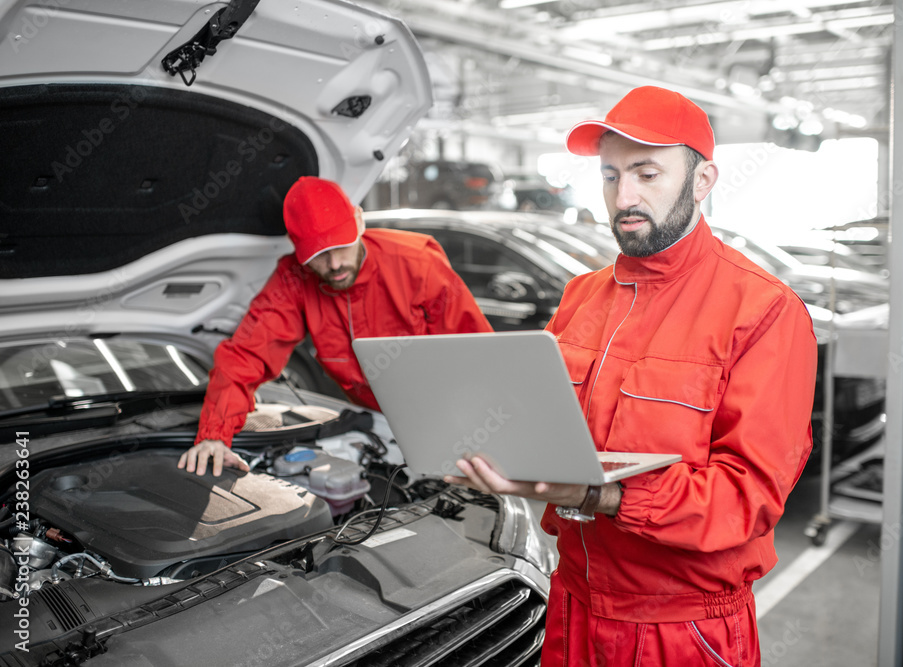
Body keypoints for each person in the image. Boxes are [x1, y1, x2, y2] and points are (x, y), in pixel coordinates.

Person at [445, 86, 817, 666]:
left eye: (647, 174)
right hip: (572, 604)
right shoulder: (581, 295)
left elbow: (749, 498)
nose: (625, 196)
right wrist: (492, 447)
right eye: (611, 175)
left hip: (681, 629)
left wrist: (604, 495)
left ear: (703, 180)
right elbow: (546, 426)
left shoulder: (763, 311)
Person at [179, 176, 492, 476]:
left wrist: (479, 428)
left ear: (359, 220)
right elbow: (247, 353)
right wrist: (214, 434)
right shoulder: (294, 278)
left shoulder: (418, 264)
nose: (334, 265)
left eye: (341, 246)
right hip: (377, 425)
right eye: (318, 255)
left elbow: (477, 354)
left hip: (447, 420)